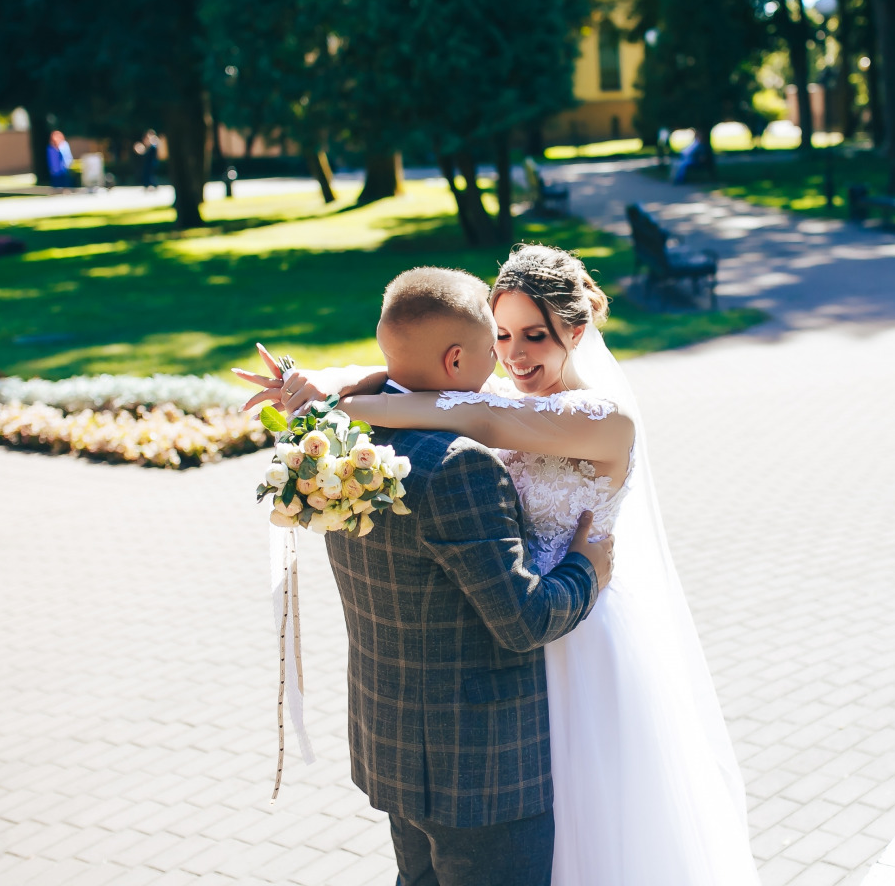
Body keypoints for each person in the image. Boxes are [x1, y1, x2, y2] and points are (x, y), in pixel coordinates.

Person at [238, 247, 760, 886]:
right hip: (521, 638)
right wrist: (329, 382)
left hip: (581, 629)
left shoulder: (602, 419)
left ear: (576, 330)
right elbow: (433, 380)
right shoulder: (495, 398)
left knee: (595, 826)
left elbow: (473, 412)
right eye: (503, 335)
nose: (513, 357)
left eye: (534, 336)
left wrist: (336, 408)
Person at [242, 267, 614, 886]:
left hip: (392, 741)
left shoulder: (338, 437)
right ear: (458, 358)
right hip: (480, 768)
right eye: (495, 342)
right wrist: (587, 569)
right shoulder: (458, 466)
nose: (505, 358)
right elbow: (523, 621)